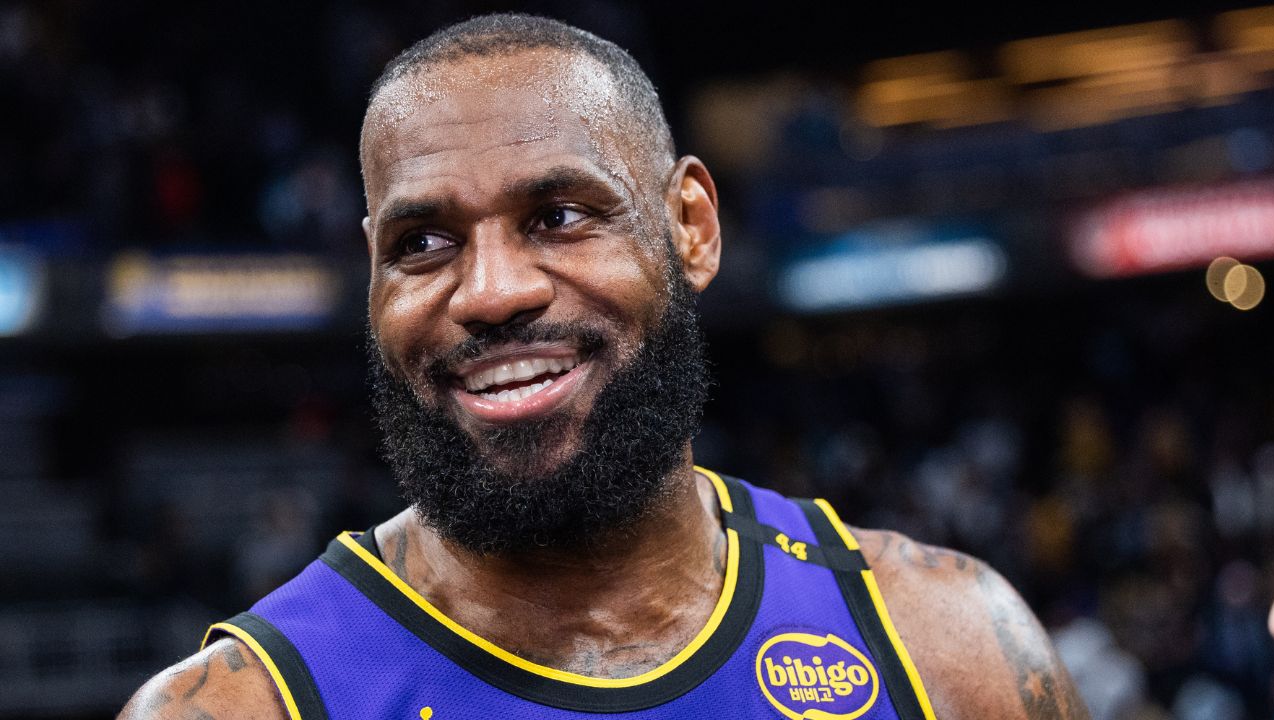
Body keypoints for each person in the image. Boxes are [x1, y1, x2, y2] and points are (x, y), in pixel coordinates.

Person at [119, 14, 1088, 720]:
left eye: (558, 217)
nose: (490, 291)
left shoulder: (947, 649)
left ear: (691, 228)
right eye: (422, 242)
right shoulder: (239, 707)